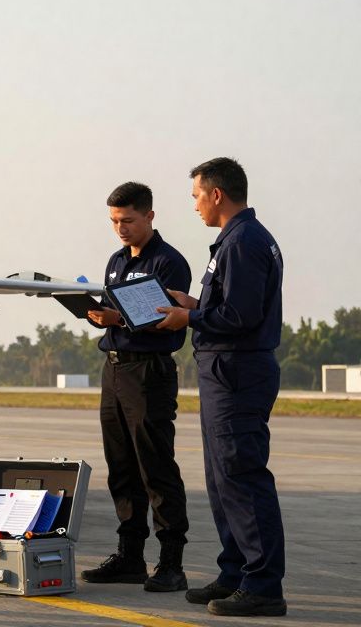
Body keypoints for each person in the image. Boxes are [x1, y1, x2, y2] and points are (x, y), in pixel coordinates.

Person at [155, 157, 288, 618]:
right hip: (223, 372)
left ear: (216, 194)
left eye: (196, 195)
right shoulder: (237, 240)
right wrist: (195, 303)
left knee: (242, 476)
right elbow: (231, 305)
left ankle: (263, 584)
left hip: (238, 372)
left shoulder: (244, 242)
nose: (194, 205)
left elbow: (242, 317)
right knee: (220, 478)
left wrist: (188, 317)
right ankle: (236, 571)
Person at [80, 182, 191, 592]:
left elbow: (163, 317)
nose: (120, 229)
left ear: (149, 216)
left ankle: (171, 563)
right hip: (114, 370)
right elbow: (120, 309)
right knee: (122, 468)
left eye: (127, 220)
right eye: (114, 221)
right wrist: (100, 316)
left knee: (155, 467)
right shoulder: (115, 261)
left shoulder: (169, 263)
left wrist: (118, 320)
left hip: (148, 373)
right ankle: (130, 558)